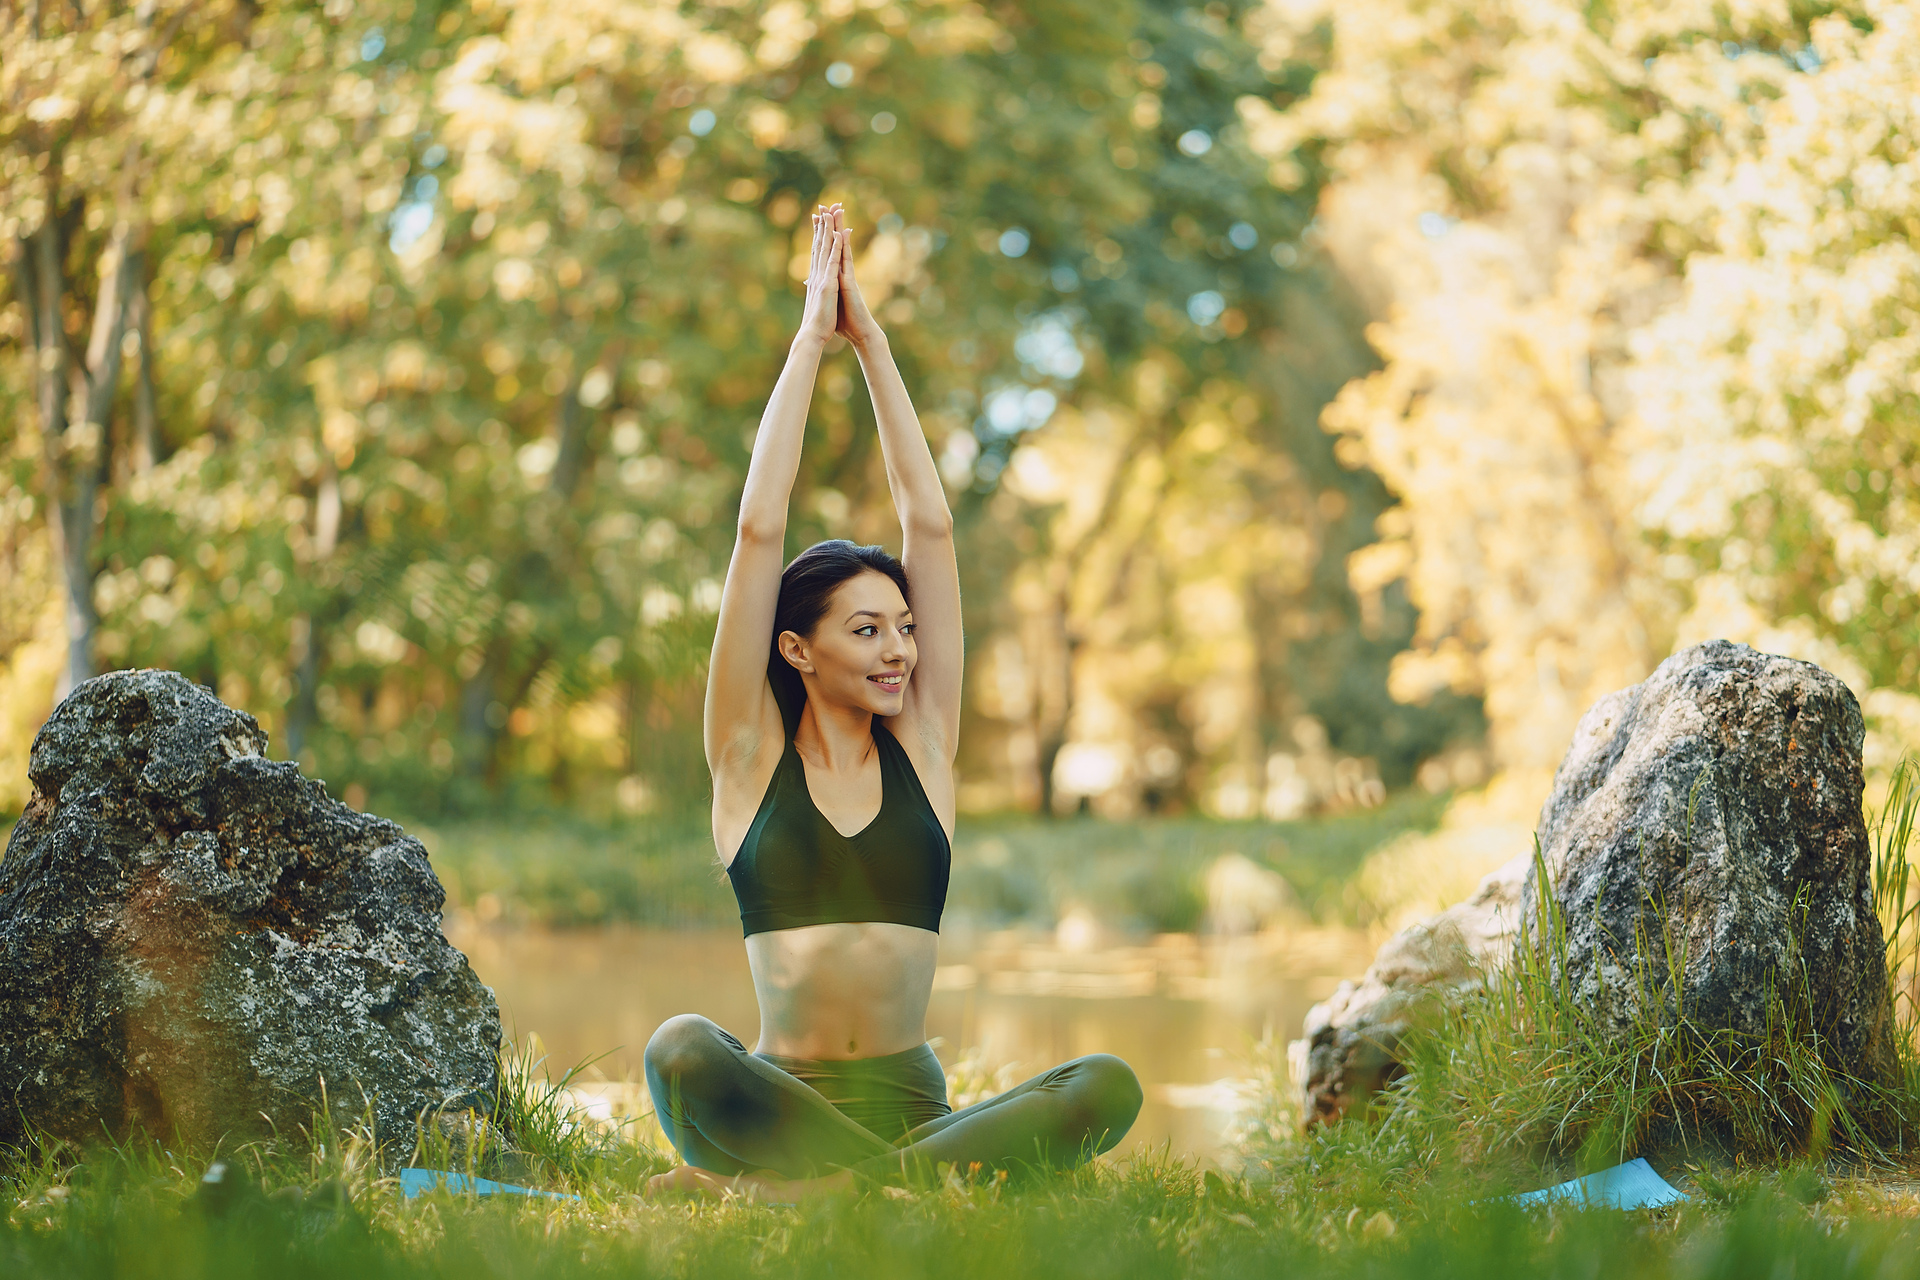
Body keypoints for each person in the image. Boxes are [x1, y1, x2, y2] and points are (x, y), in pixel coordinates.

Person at [642, 205, 1142, 1203]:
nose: (900, 648)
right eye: (866, 629)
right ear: (798, 647)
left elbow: (931, 524)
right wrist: (807, 343)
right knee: (682, 1045)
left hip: (915, 1102)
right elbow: (755, 529)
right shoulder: (747, 756)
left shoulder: (924, 745)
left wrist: (870, 341)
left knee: (1106, 1083)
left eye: (904, 626)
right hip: (775, 1092)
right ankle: (909, 1185)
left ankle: (819, 1189)